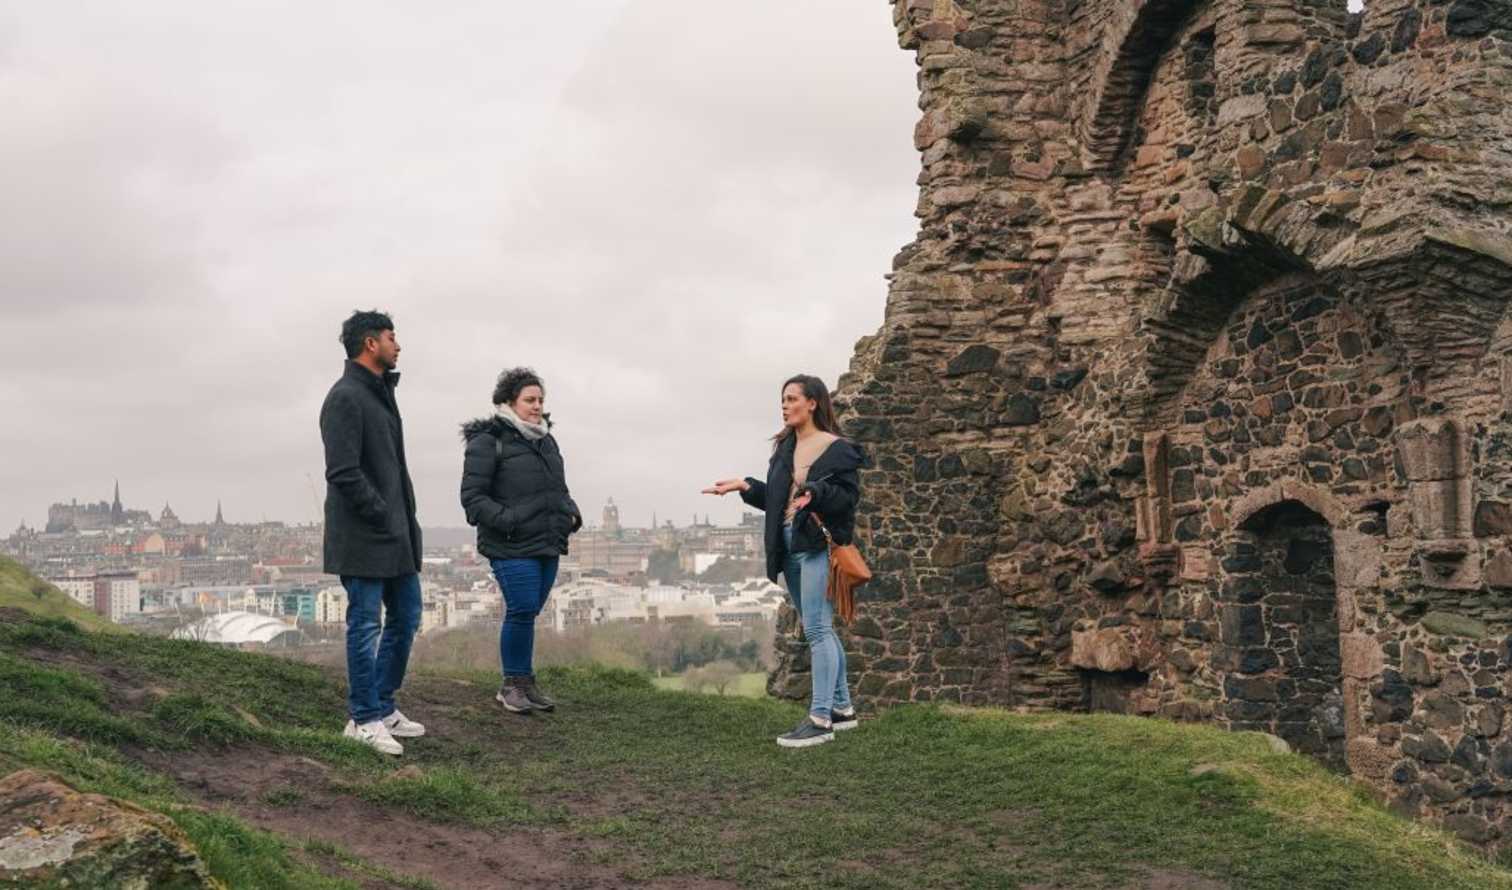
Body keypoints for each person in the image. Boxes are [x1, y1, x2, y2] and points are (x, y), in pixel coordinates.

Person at [704, 374, 865, 748]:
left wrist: (816, 492)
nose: (785, 405)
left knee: (817, 630)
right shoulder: (784, 449)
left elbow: (846, 499)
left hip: (818, 546)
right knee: (818, 626)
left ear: (812, 403)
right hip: (789, 544)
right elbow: (778, 504)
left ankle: (820, 718)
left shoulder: (837, 449)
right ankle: (842, 710)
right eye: (782, 399)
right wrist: (746, 487)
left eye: (792, 398)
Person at [320, 310, 426, 756]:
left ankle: (382, 704)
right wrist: (381, 514)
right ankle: (363, 718)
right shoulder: (345, 397)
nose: (398, 345)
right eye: (390, 337)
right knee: (365, 625)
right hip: (366, 535)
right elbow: (342, 472)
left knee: (407, 618)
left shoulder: (379, 393)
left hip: (395, 536)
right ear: (370, 343)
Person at [460, 367, 582, 714]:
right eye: (529, 400)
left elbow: (558, 487)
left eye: (540, 400)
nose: (537, 406)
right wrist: (507, 521)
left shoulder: (546, 440)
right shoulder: (488, 441)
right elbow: (472, 497)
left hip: (546, 540)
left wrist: (570, 512)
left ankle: (525, 683)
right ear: (508, 403)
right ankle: (511, 685)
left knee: (529, 613)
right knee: (521, 608)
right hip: (510, 545)